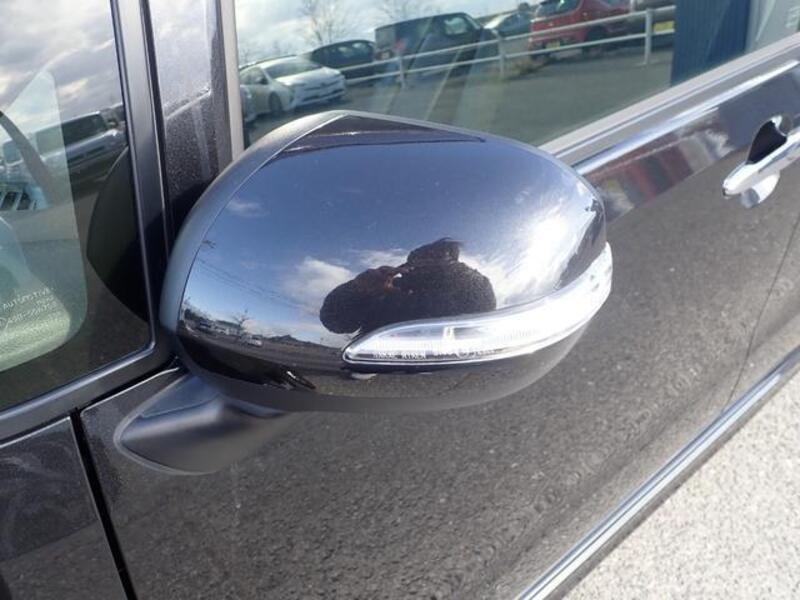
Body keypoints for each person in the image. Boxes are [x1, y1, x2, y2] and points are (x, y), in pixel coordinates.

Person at [320, 238, 496, 335]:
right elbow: (337, 323)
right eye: (418, 260)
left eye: (439, 258)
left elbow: (480, 316)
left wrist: (404, 298)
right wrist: (356, 288)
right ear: (407, 266)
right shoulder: (384, 289)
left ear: (454, 262)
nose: (426, 264)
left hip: (450, 368)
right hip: (375, 363)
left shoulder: (471, 285)